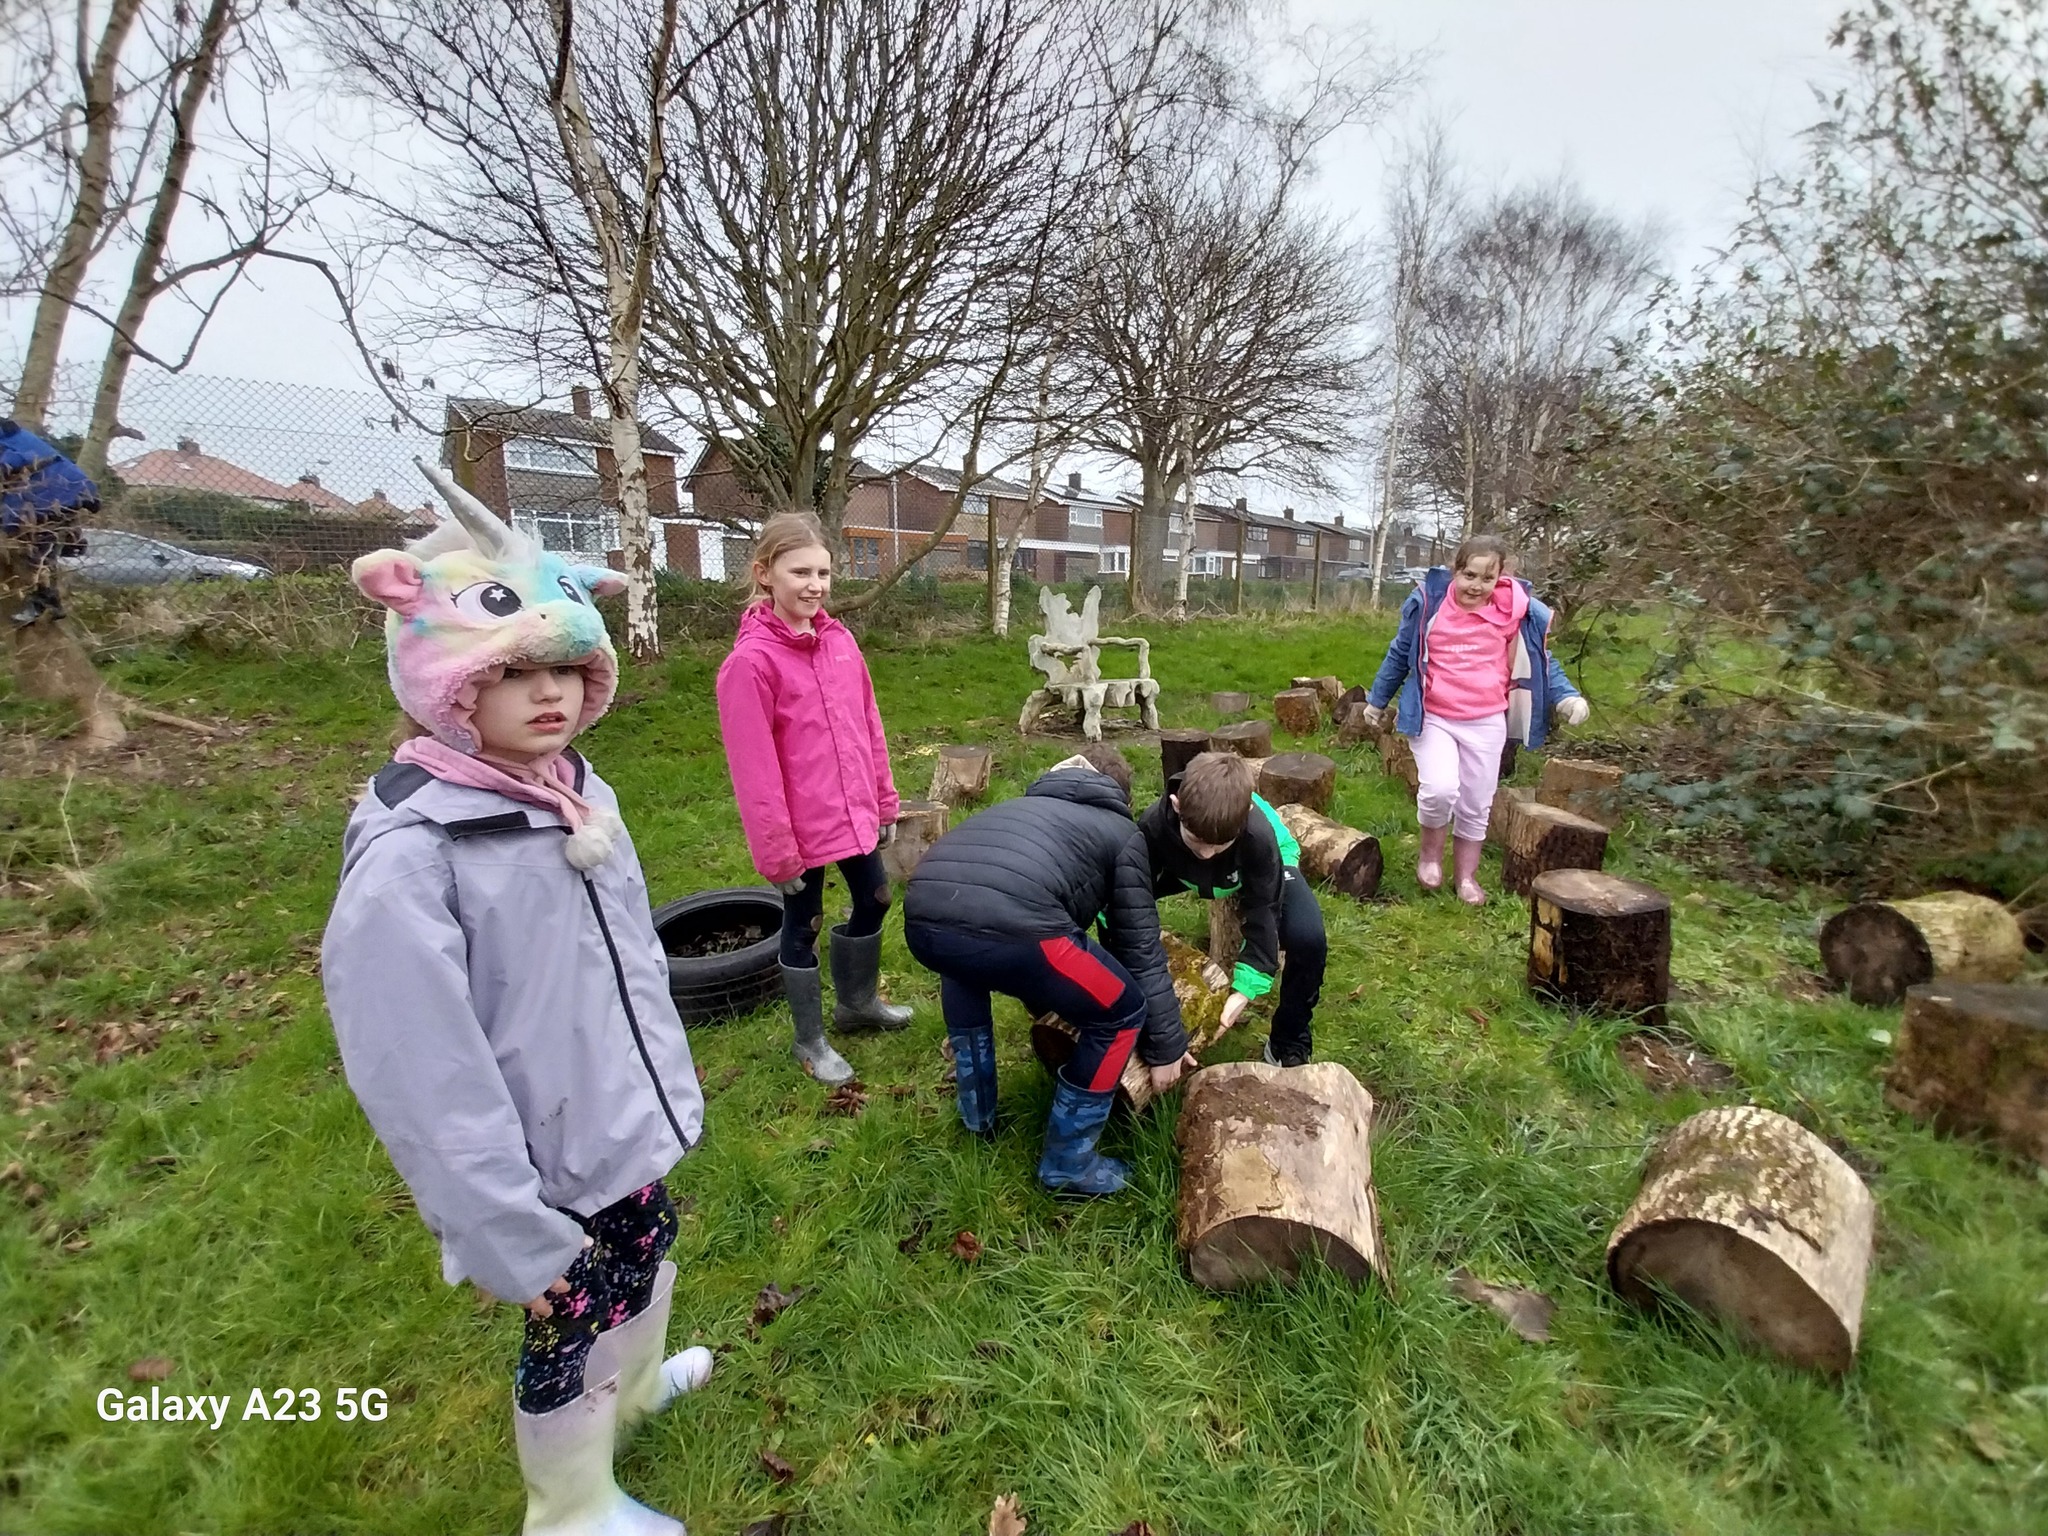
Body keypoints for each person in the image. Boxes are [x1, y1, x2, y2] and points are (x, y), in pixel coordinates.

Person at [323, 466, 708, 1536]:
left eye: (567, 667)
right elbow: (421, 1072)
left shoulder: (579, 793)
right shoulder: (417, 855)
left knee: (647, 1248)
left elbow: (621, 961)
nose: (549, 693)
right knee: (568, 1318)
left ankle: (631, 1401)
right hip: (536, 1167)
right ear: (451, 685)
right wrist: (506, 1234)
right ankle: (568, 1505)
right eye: (515, 673)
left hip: (611, 1120)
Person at [903, 745, 1195, 1197]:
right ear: (1118, 793)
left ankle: (976, 1115)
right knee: (1121, 1012)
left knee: (964, 963)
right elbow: (1137, 944)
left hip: (923, 913)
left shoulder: (1017, 806)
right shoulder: (1123, 832)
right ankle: (1068, 1163)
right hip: (1019, 928)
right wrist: (1167, 1046)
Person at [716, 511, 907, 1087]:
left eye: (823, 572)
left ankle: (857, 1006)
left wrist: (885, 800)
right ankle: (809, 1040)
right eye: (800, 571)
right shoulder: (749, 665)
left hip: (853, 814)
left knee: (874, 898)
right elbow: (754, 771)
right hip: (797, 832)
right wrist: (777, 852)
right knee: (803, 926)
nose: (815, 585)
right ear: (764, 573)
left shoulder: (841, 642)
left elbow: (868, 725)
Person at [1360, 533, 1589, 905]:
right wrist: (1378, 699)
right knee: (1439, 790)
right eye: (1469, 575)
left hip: (1486, 720)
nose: (1477, 586)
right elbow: (1401, 652)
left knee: (1476, 800)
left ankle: (1466, 876)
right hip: (1434, 716)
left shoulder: (1514, 613)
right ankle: (1430, 857)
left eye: (1487, 578)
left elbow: (1542, 660)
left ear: (1500, 578)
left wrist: (1565, 696)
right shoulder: (1430, 605)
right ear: (1455, 571)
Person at [1139, 751, 1326, 1067]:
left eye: (1219, 844)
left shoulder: (1259, 837)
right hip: (1182, 867)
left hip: (1256, 864)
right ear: (1176, 806)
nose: (1208, 854)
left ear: (1247, 812)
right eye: (1198, 841)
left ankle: (1288, 1041)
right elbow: (1125, 897)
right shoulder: (1153, 826)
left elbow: (1264, 911)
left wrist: (1244, 991)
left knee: (1309, 938)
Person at [1, 418, 96, 627]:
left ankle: (44, 601)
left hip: (55, 492)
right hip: (64, 489)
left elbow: (15, 461)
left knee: (33, 546)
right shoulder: (14, 436)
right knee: (39, 542)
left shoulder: (9, 441)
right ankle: (72, 543)